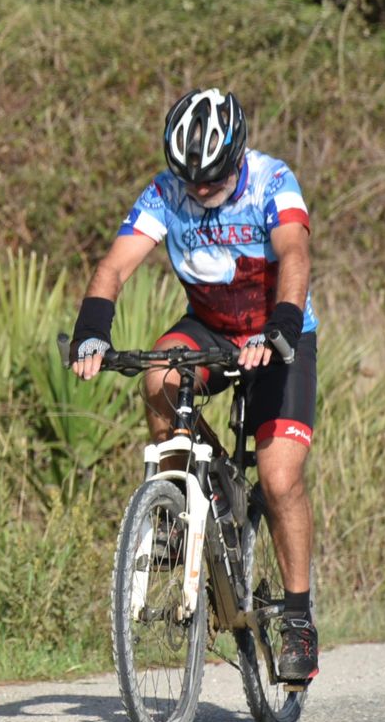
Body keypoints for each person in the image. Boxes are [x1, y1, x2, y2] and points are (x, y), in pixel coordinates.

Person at [68, 87, 319, 683]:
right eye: (190, 181)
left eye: (211, 180)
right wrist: (92, 332)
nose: (199, 192)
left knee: (280, 478)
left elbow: (295, 256)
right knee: (158, 377)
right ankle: (184, 501)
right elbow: (114, 266)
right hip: (210, 326)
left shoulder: (272, 180)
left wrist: (280, 326)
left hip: (277, 330)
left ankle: (300, 620)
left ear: (237, 158)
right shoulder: (164, 190)